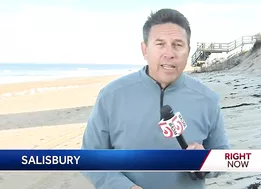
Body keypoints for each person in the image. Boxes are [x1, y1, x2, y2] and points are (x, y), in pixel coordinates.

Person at [81, 8, 230, 189]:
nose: (169, 53)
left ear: (188, 51)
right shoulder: (111, 95)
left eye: (178, 44)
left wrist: (206, 162)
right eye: (160, 44)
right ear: (145, 49)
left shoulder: (208, 99)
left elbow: (223, 156)